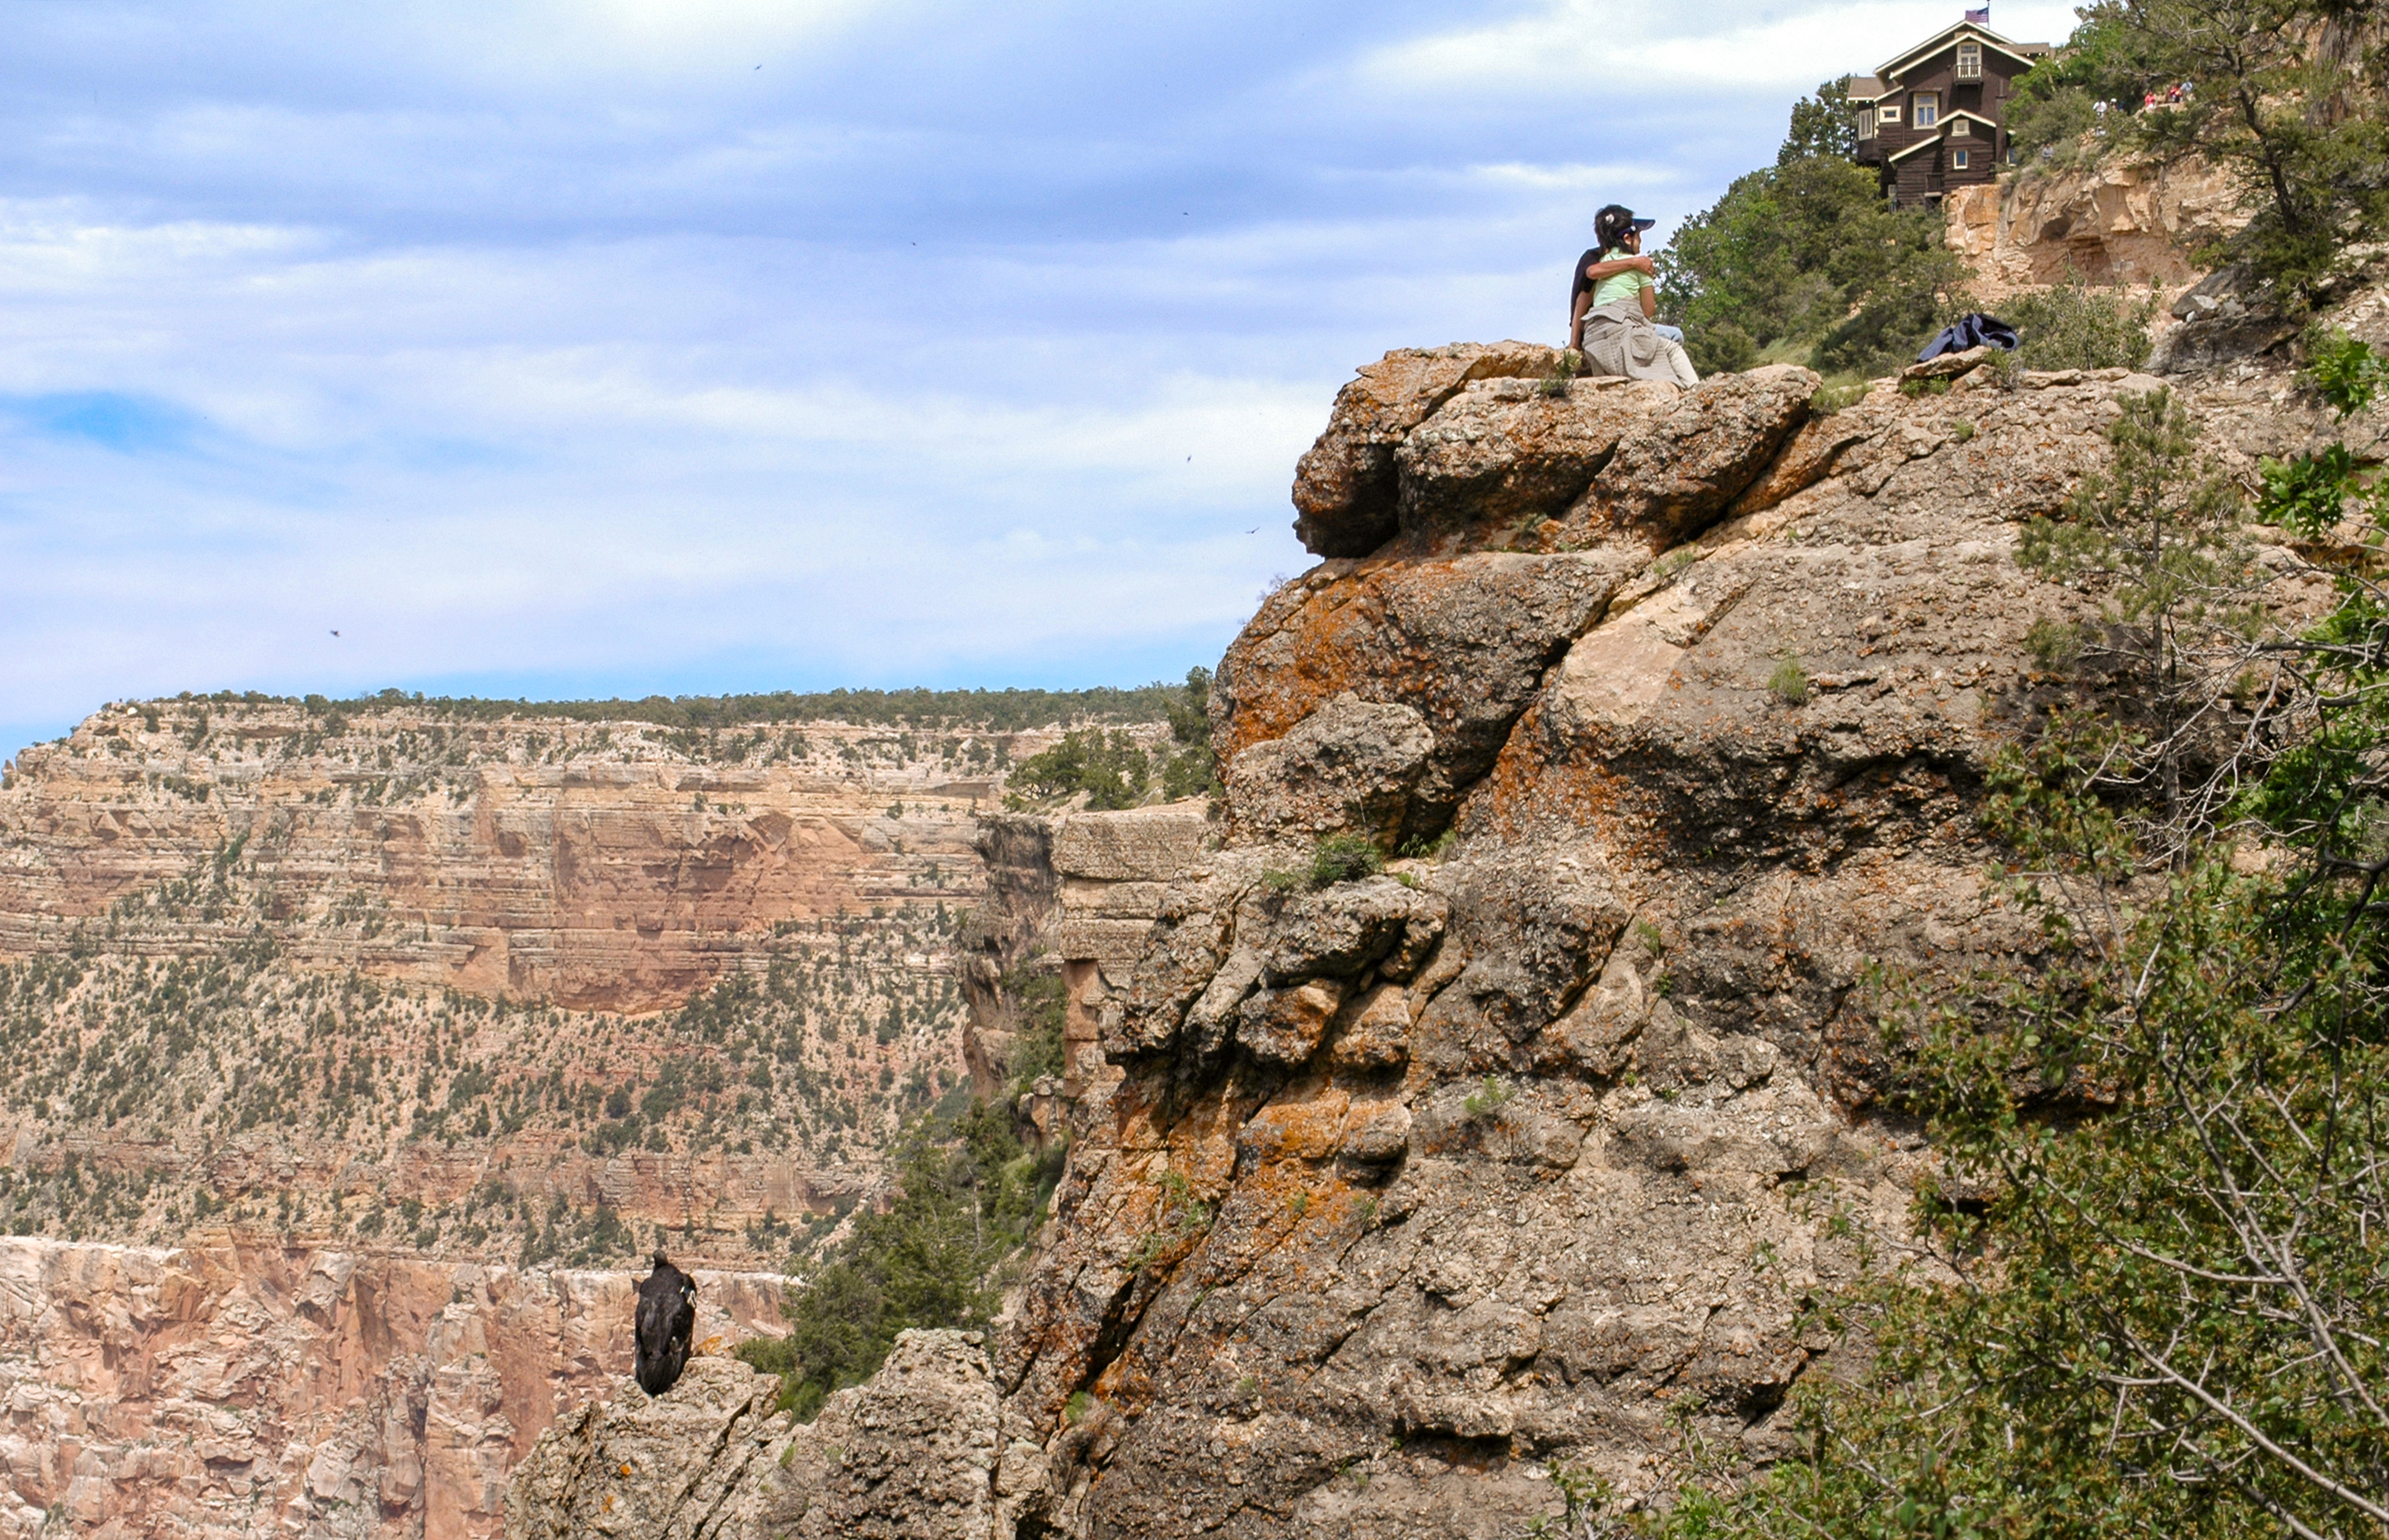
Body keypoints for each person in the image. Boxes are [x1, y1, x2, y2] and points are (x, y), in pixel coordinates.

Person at [1570, 205, 1699, 386]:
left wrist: (1573, 344)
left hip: (1593, 336)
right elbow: (1649, 311)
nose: (1641, 241)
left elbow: (1584, 293)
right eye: (1639, 236)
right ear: (1627, 238)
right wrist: (1638, 266)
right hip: (1621, 329)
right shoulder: (1640, 265)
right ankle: (1696, 391)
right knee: (1674, 344)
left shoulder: (1598, 261)